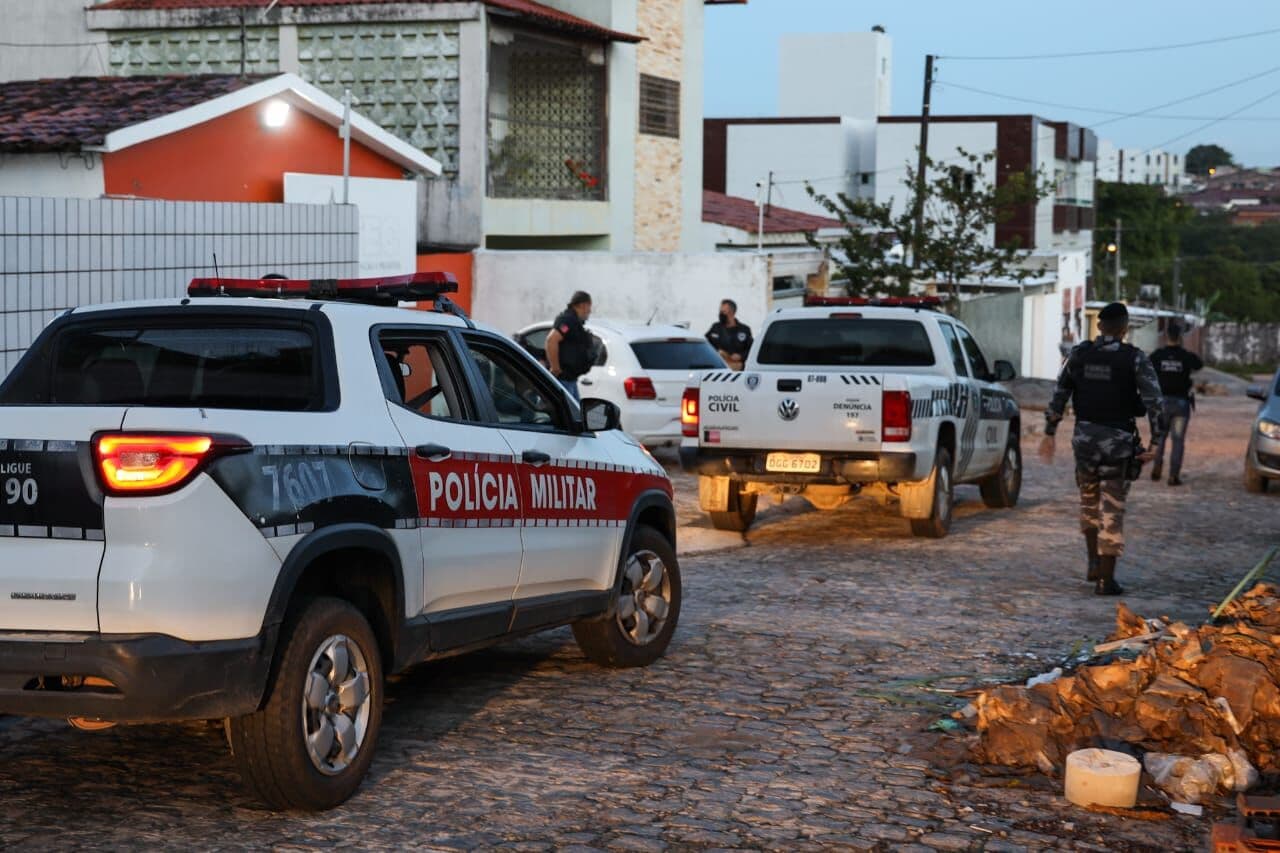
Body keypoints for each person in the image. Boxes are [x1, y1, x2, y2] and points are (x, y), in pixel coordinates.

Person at [1038, 302, 1166, 596]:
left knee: (1088, 500)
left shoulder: (1079, 354)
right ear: (1124, 328)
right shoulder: (1134, 359)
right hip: (1118, 441)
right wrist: (1156, 441)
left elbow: (1059, 393)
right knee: (1112, 505)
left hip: (1084, 438)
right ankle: (1106, 580)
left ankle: (1094, 561)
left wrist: (1050, 431)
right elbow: (1154, 402)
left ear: (1099, 326)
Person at [1149, 323, 1203, 486]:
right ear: (1180, 337)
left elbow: (1146, 367)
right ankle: (1173, 475)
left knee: (1160, 437)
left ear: (1166, 336)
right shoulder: (1186, 356)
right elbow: (1199, 364)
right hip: (1181, 404)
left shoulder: (1157, 355)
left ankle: (1157, 467)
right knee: (1178, 440)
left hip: (1161, 403)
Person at [545, 291, 593, 402]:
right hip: (564, 380)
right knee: (569, 416)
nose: (590, 311)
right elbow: (551, 340)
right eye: (589, 307)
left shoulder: (574, 321)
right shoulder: (568, 321)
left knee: (575, 416)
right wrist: (555, 368)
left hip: (570, 380)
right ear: (583, 305)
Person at [705, 299, 753, 371]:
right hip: (718, 369)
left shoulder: (744, 330)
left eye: (723, 312)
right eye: (720, 311)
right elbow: (705, 343)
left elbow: (752, 349)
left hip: (737, 370)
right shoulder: (715, 327)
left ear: (732, 313)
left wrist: (741, 356)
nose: (721, 314)